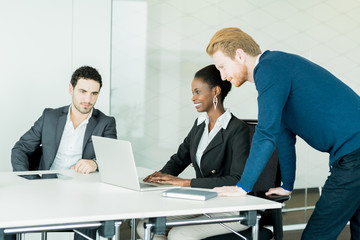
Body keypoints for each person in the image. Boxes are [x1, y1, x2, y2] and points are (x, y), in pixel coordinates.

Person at [206, 27, 360, 240]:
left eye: (222, 66)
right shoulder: (276, 69)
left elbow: (266, 133)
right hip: (353, 154)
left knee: (317, 236)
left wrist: (243, 186)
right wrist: (287, 185)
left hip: (355, 156)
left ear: (239, 55)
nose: (222, 76)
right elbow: (283, 136)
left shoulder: (269, 69)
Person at [136, 64, 250, 240]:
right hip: (203, 201)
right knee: (147, 226)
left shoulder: (237, 129)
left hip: (229, 206)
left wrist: (185, 183)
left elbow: (237, 180)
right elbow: (179, 159)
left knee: (179, 234)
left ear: (216, 92)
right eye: (192, 92)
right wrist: (159, 177)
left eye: (197, 92)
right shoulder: (200, 124)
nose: (193, 98)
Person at [11, 66, 117, 240]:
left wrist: (96, 163)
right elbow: (20, 149)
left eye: (94, 93)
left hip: (83, 194)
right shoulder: (50, 117)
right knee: (7, 220)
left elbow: (113, 159)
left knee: (88, 220)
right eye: (83, 91)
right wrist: (31, 183)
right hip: (47, 188)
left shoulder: (106, 123)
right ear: (71, 89)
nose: (88, 99)